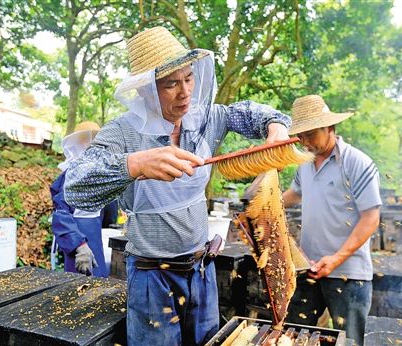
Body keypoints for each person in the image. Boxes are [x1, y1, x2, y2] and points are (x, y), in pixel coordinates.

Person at [63, 26, 291, 346]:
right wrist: (135, 164)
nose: (184, 92)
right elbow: (74, 184)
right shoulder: (123, 132)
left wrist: (276, 125)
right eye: (171, 84)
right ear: (145, 90)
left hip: (201, 268)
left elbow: (250, 112)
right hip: (150, 275)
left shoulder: (205, 119)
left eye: (188, 78)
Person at [283, 95, 381, 345]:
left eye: (311, 134)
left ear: (330, 128)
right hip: (307, 267)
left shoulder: (357, 162)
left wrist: (336, 259)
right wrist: (265, 203)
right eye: (301, 136)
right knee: (293, 336)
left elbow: (371, 218)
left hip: (348, 273)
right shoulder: (304, 162)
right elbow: (295, 193)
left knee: (349, 341)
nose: (305, 142)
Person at [50, 121, 117, 278]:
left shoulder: (99, 173)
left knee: (98, 282)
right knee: (78, 287)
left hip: (95, 237)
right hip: (77, 239)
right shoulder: (71, 174)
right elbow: (61, 215)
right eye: (88, 139)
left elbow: (109, 211)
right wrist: (79, 246)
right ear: (78, 142)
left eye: (96, 139)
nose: (92, 144)